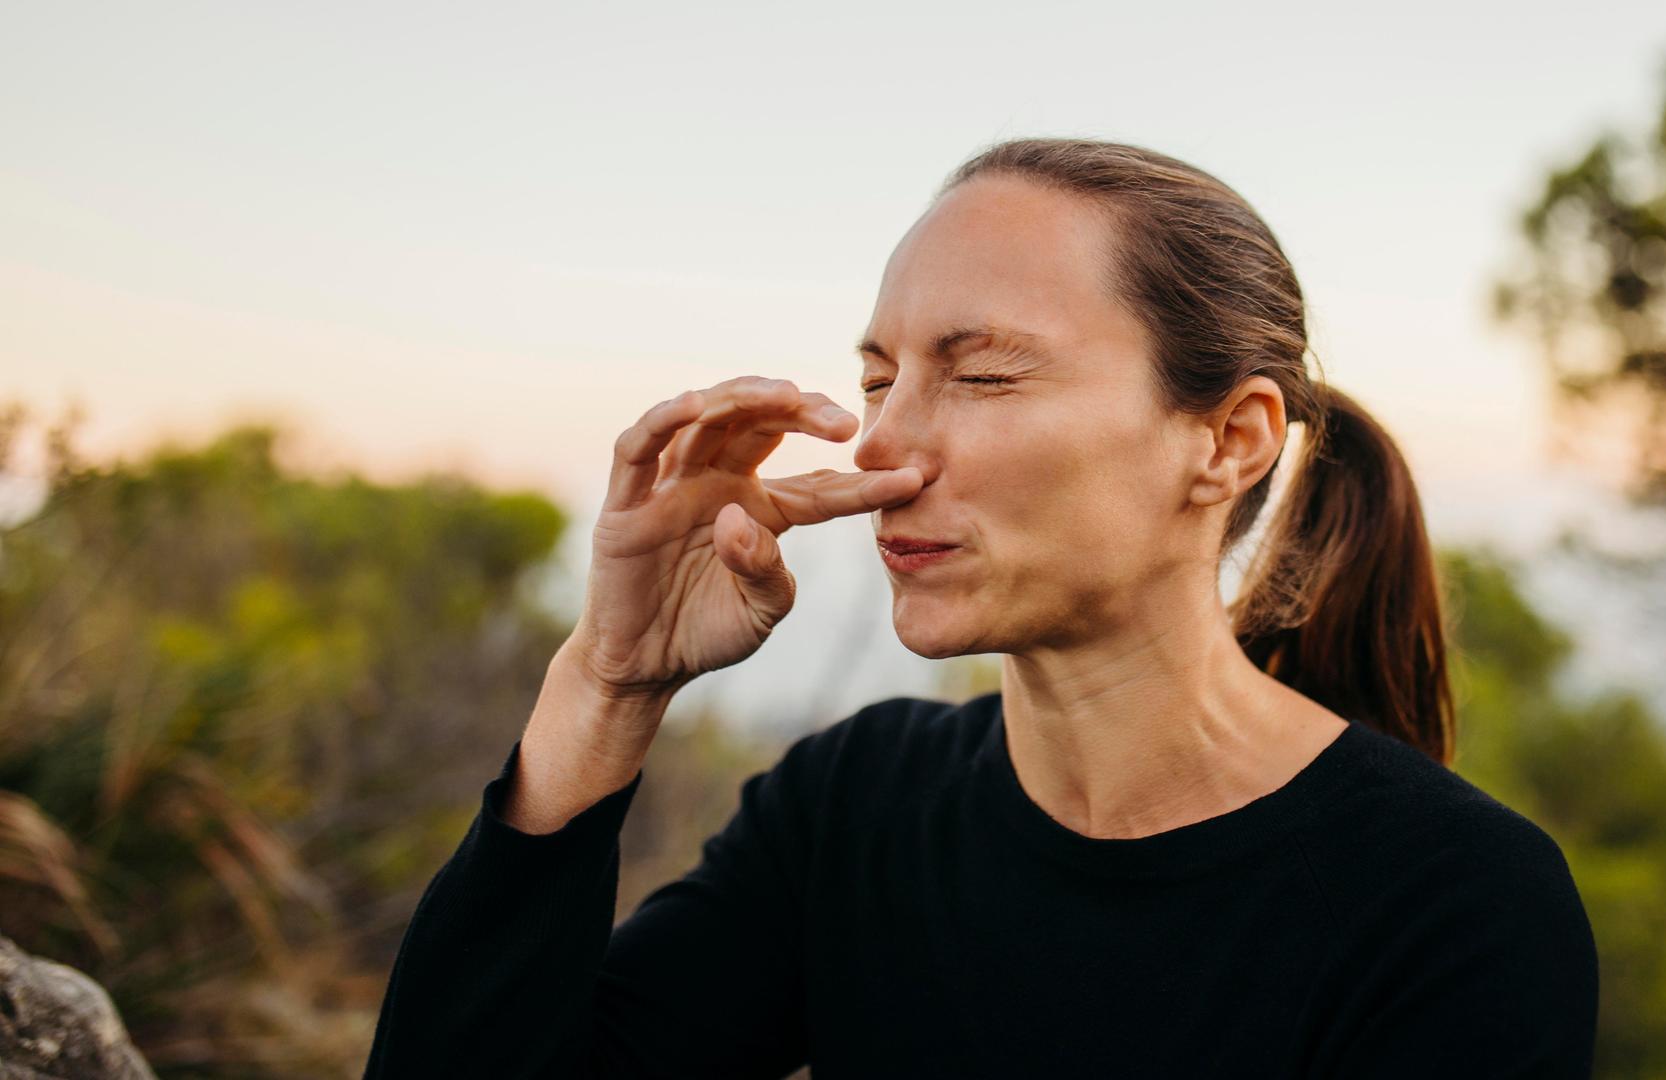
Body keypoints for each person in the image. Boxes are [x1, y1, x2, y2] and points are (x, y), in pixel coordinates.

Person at [363, 136, 1599, 1079]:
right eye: (876, 378)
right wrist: (608, 683)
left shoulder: (1456, 903)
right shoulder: (851, 808)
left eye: (986, 375)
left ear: (1227, 442)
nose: (884, 449)